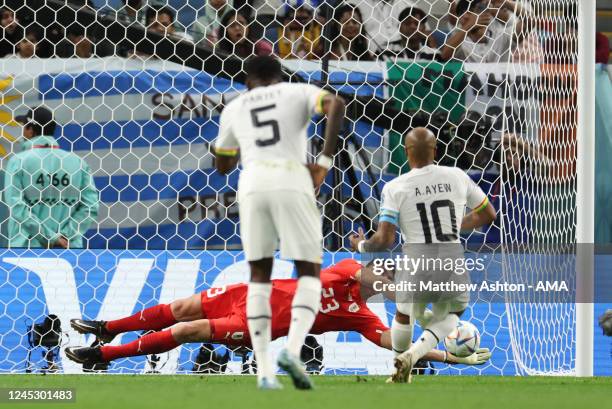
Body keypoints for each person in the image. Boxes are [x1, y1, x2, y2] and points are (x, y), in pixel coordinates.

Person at [65, 259, 492, 369]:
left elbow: (393, 345)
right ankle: (105, 328)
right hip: (247, 293)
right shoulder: (347, 271)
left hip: (255, 324)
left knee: (187, 328)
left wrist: (447, 355)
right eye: (384, 271)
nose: (383, 274)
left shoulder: (357, 315)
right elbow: (366, 270)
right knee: (178, 307)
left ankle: (102, 357)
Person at [212, 55, 345, 390]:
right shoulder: (297, 92)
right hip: (291, 178)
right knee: (308, 271)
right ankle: (293, 349)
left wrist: (229, 147)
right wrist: (324, 162)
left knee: (259, 275)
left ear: (247, 81)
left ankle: (265, 372)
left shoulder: (234, 107)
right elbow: (337, 104)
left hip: (253, 184)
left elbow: (224, 166)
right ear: (279, 75)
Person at [349, 127, 496, 383]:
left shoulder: (395, 187)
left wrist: (362, 247)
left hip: (416, 259)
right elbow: (488, 214)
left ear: (406, 153)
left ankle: (399, 367)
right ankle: (415, 354)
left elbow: (386, 238)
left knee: (404, 314)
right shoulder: (457, 176)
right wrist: (452, 224)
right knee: (454, 312)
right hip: (451, 257)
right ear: (436, 151)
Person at [4, 107, 99, 249]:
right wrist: (65, 236)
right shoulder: (79, 163)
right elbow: (91, 207)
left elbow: (17, 207)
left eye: (24, 126)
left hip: (27, 250)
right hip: (69, 250)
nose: (22, 131)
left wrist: (51, 238)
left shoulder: (18, 161)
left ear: (30, 130)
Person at [441, 0, 527, 63]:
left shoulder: (501, 36)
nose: (466, 16)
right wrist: (469, 26)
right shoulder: (461, 43)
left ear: (486, 14)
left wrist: (506, 2)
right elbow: (444, 55)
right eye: (463, 13)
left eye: (472, 11)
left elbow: (531, 20)